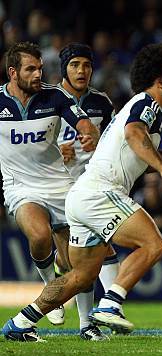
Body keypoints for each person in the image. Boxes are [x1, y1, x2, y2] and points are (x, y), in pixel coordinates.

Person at [2, 43, 162, 342]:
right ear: (160, 81)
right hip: (101, 192)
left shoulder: (139, 108)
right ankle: (111, 303)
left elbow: (146, 155)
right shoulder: (147, 105)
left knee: (80, 276)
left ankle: (20, 322)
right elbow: (134, 135)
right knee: (154, 245)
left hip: (80, 196)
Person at [0, 41, 99, 340]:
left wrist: (87, 133)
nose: (37, 74)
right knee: (40, 236)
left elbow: (82, 121)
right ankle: (49, 288)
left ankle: (87, 325)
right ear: (13, 72)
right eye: (30, 69)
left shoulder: (55, 96)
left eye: (40, 68)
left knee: (78, 261)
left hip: (60, 185)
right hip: (20, 187)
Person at [54, 43, 118, 341]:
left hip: (90, 188)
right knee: (84, 259)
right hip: (54, 187)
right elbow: (28, 147)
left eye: (87, 65)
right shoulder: (48, 101)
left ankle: (103, 313)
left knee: (95, 254)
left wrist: (100, 145)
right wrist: (57, 152)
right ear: (64, 68)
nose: (82, 71)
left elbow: (116, 143)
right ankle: (97, 316)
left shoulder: (102, 104)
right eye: (75, 64)